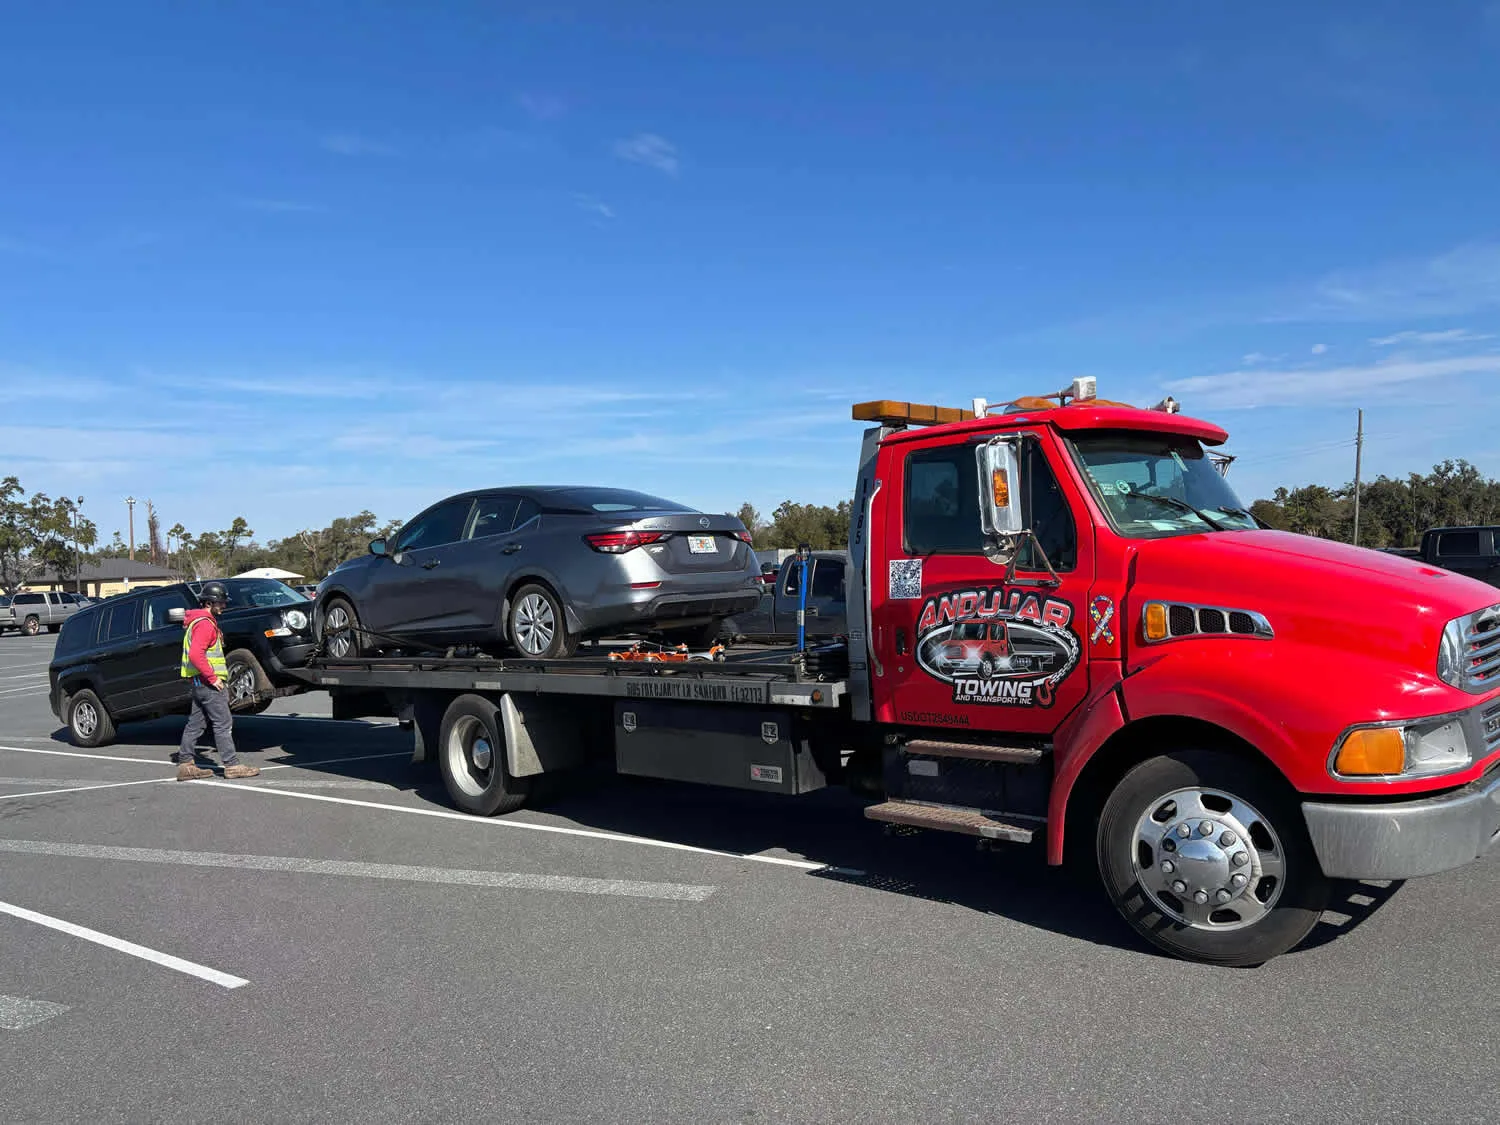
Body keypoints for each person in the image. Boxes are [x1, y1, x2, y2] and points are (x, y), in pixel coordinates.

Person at [176, 581, 260, 781]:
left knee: (195, 723)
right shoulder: (205, 624)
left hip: (198, 683)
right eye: (220, 602)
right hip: (209, 683)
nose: (224, 606)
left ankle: (185, 764)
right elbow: (197, 654)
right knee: (223, 723)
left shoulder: (196, 622)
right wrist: (214, 679)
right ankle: (231, 765)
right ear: (209, 603)